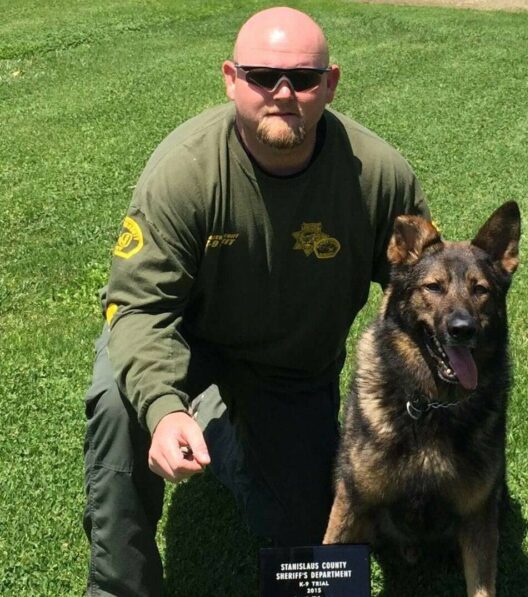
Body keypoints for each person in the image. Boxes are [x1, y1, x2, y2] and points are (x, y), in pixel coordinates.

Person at [83, 6, 430, 596]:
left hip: (293, 372)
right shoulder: (185, 172)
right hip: (187, 344)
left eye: (304, 78)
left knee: (304, 527)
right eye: (262, 76)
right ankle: (119, 586)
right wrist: (164, 409)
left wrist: (426, 399)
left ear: (332, 82)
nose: (284, 93)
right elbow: (138, 307)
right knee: (121, 405)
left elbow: (421, 292)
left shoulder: (378, 177)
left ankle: (221, 429)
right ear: (230, 78)